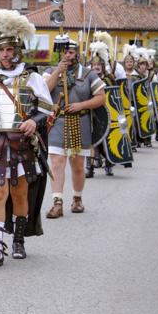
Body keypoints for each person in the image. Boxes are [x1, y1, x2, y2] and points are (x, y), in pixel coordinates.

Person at [0, 9, 53, 265]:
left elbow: (47, 112)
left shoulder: (34, 78)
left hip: (23, 145)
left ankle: (18, 239)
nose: (6, 54)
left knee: (19, 194)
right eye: (1, 50)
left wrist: (33, 121)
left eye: (9, 49)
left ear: (18, 49)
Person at [43, 35, 105, 218]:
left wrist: (81, 105)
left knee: (77, 165)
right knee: (56, 162)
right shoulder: (50, 71)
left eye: (70, 52)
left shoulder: (87, 74)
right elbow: (43, 92)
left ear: (76, 54)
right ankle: (57, 203)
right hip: (57, 123)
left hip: (80, 122)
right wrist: (57, 72)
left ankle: (77, 199)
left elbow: (101, 97)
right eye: (64, 52)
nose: (67, 56)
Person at [86, 41, 116, 178]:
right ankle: (90, 168)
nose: (96, 67)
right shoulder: (86, 79)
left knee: (104, 141)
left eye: (99, 65)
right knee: (91, 140)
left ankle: (108, 163)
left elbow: (114, 97)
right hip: (90, 113)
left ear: (103, 66)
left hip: (105, 114)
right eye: (94, 65)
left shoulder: (109, 79)